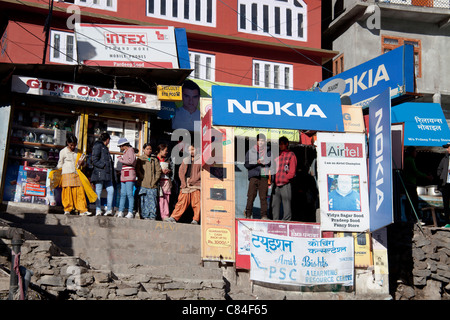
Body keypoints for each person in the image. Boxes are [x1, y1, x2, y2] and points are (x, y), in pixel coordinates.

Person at [166, 144, 201, 224]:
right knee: (181, 201)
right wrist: (183, 181)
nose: (191, 152)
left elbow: (203, 172)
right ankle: (173, 217)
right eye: (189, 150)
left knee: (196, 202)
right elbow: (181, 171)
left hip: (196, 183)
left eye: (193, 149)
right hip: (186, 183)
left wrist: (195, 178)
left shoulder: (200, 160)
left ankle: (195, 219)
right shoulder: (185, 159)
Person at [57, 134, 90, 216]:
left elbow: (84, 164)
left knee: (79, 191)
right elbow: (60, 164)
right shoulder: (63, 152)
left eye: (74, 145)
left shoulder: (78, 151)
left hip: (76, 173)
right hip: (66, 173)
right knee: (67, 191)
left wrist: (83, 163)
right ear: (68, 143)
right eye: (71, 145)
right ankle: (67, 209)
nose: (73, 147)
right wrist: (56, 173)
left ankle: (82, 210)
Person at [244, 134, 271, 220]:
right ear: (257, 141)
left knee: (263, 197)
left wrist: (265, 161)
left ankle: (264, 215)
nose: (261, 142)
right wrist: (256, 162)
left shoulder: (268, 151)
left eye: (263, 141)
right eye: (259, 140)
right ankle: (248, 214)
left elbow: (271, 163)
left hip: (264, 175)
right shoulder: (251, 151)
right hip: (254, 176)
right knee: (251, 196)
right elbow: (246, 164)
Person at [272, 136, 297, 221]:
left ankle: (287, 220)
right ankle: (275, 220)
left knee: (286, 203)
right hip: (276, 183)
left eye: (282, 144)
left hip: (285, 183)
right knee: (275, 204)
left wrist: (286, 178)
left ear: (287, 144)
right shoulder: (277, 155)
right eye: (279, 144)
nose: (280, 146)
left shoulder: (291, 154)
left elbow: (292, 170)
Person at [404, 146, 432, 221]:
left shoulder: (409, 160)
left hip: (410, 182)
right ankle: (413, 217)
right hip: (410, 183)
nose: (416, 153)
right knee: (412, 201)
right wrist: (426, 176)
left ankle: (411, 216)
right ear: (411, 152)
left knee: (411, 200)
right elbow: (415, 172)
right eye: (415, 151)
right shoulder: (409, 160)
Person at [91, 132, 115, 216]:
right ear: (107, 139)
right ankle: (98, 209)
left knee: (110, 190)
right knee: (98, 191)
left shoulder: (104, 147)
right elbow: (94, 160)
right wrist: (104, 165)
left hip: (106, 173)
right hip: (100, 172)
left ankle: (109, 209)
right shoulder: (98, 146)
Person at [136, 143, 161, 220]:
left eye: (150, 149)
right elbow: (137, 170)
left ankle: (152, 216)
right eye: (147, 149)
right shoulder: (140, 159)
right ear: (143, 150)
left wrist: (154, 180)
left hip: (153, 185)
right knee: (143, 201)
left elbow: (158, 171)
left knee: (153, 202)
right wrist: (142, 177)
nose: (149, 150)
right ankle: (144, 216)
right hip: (143, 184)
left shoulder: (154, 160)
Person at [116, 138, 137, 219]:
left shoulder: (130, 150)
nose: (120, 148)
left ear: (123, 145)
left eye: (120, 146)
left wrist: (121, 159)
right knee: (123, 194)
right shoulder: (126, 152)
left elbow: (131, 161)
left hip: (129, 175)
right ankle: (121, 211)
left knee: (129, 194)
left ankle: (130, 212)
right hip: (124, 175)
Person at [156, 144, 173, 221]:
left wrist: (169, 171)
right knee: (160, 198)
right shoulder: (155, 159)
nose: (166, 152)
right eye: (165, 151)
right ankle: (160, 214)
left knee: (166, 198)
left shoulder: (167, 160)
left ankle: (166, 215)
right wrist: (160, 171)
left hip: (166, 181)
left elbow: (172, 170)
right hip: (158, 181)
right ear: (161, 150)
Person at [436, 143, 450, 227]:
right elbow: (439, 169)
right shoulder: (444, 158)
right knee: (445, 204)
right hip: (446, 184)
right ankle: (447, 222)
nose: (447, 149)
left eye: (448, 148)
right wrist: (441, 176)